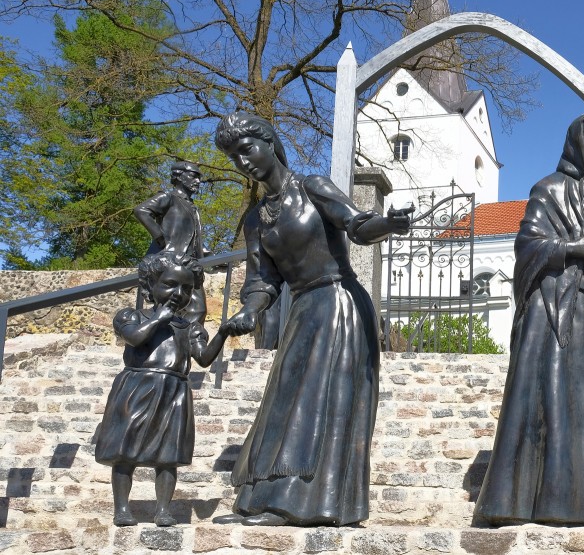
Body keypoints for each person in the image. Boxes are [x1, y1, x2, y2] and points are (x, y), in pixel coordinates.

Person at [212, 111, 410, 527]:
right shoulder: (255, 219)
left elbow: (356, 225)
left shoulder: (313, 186)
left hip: (339, 303)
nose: (243, 161)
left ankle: (297, 503)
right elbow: (261, 279)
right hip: (303, 309)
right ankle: (260, 498)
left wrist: (387, 223)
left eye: (247, 149)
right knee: (284, 401)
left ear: (269, 143)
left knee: (320, 402)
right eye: (234, 157)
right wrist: (249, 311)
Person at [474, 112, 584, 530]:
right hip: (553, 312)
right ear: (578, 142)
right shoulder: (548, 190)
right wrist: (574, 248)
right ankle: (524, 500)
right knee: (547, 407)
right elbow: (528, 244)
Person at [94, 251, 228, 527]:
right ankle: (122, 508)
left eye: (187, 288)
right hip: (137, 386)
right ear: (148, 286)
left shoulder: (189, 327)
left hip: (174, 390)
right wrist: (159, 318)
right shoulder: (131, 315)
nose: (179, 293)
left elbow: (203, 358)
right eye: (170, 284)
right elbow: (133, 338)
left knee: (169, 455)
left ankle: (163, 510)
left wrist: (223, 332)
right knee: (124, 450)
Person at [134, 161, 208, 325]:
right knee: (172, 307)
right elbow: (141, 210)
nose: (198, 181)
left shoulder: (192, 207)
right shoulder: (168, 198)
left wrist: (203, 252)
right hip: (169, 262)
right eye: (193, 176)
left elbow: (191, 234)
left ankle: (184, 342)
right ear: (179, 176)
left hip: (188, 265)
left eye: (199, 178)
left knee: (198, 309)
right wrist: (159, 236)